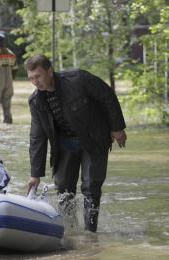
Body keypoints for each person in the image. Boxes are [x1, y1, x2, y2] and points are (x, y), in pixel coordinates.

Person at [25, 54, 127, 232]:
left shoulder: (78, 79)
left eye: (38, 76)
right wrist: (35, 174)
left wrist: (116, 128)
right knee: (63, 188)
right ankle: (69, 230)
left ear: (49, 71)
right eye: (31, 78)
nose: (35, 82)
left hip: (93, 138)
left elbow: (107, 96)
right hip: (64, 144)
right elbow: (37, 137)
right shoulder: (35, 101)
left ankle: (90, 233)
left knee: (90, 186)